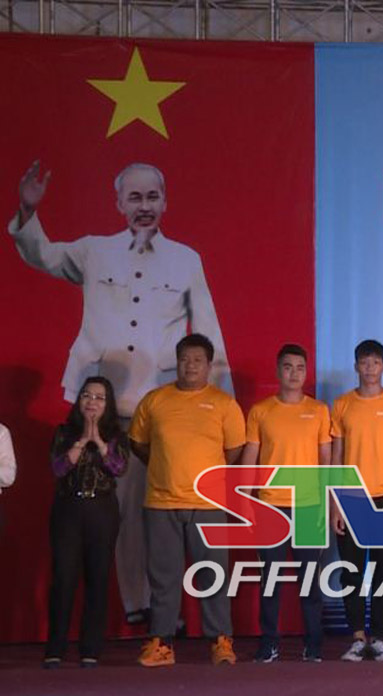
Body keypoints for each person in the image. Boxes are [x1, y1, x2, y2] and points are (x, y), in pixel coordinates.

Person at [11, 161, 233, 624]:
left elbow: (207, 331)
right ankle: (141, 605)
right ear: (118, 203)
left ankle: (172, 608)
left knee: (165, 508)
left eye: (152, 196)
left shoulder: (185, 259)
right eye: (135, 197)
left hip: (165, 405)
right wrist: (28, 211)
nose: (144, 206)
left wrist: (219, 404)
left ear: (165, 201)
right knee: (126, 511)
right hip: (108, 406)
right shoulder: (94, 251)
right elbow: (43, 256)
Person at [129, 333, 245, 666]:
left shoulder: (224, 404)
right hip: (161, 503)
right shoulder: (154, 401)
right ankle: (162, 642)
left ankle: (221, 641)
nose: (190, 366)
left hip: (208, 504)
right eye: (184, 359)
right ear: (176, 363)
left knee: (213, 574)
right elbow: (139, 444)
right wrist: (165, 467)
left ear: (209, 365)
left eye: (197, 360)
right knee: (163, 577)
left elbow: (233, 450)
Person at [241, 344, 332, 663]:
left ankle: (313, 643)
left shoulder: (319, 411)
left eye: (300, 367)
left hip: (308, 505)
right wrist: (246, 501)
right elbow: (251, 456)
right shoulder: (260, 411)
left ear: (306, 373)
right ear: (278, 371)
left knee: (310, 580)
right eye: (288, 367)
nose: (294, 373)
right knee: (270, 579)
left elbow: (325, 458)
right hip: (270, 505)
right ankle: (269, 642)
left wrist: (325, 502)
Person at [330, 339, 383, 662]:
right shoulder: (342, 405)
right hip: (351, 498)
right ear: (356, 366)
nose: (370, 368)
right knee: (351, 572)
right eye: (364, 362)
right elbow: (336, 457)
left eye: (375, 362)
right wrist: (334, 503)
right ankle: (356, 637)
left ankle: (378, 638)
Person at [43, 377, 128, 669]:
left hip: (101, 510)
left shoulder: (116, 434)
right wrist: (81, 441)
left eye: (99, 397)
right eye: (86, 395)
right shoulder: (64, 432)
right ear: (78, 400)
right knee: (63, 578)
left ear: (108, 404)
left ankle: (90, 648)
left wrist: (100, 443)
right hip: (68, 509)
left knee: (98, 578)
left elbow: (119, 468)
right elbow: (58, 468)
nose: (92, 402)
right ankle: (55, 647)